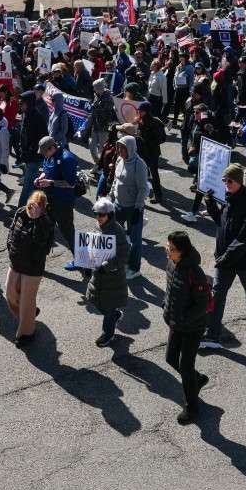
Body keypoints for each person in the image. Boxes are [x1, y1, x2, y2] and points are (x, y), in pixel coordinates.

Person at [199, 164, 246, 349]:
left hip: (245, 261)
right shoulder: (229, 198)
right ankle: (212, 335)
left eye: (229, 180)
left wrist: (225, 257)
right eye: (224, 180)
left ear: (239, 181)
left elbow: (244, 238)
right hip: (226, 259)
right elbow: (222, 224)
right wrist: (210, 203)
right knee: (217, 294)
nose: (226, 184)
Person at [162, 231, 211, 425]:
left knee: (185, 365)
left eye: (172, 249)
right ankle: (196, 380)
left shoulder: (195, 273)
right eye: (168, 247)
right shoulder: (172, 264)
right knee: (171, 358)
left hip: (193, 327)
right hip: (176, 323)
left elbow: (202, 305)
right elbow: (169, 289)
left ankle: (192, 408)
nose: (168, 251)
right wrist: (165, 306)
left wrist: (182, 319)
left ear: (182, 252)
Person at [6, 191, 54, 347]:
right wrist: (10, 247)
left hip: (33, 267)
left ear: (43, 208)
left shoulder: (45, 222)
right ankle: (29, 315)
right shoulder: (21, 212)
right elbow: (12, 230)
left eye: (37, 206)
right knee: (10, 295)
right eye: (31, 204)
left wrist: (38, 219)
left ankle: (26, 332)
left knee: (27, 300)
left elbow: (42, 245)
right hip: (16, 262)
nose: (32, 208)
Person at [86, 198, 130, 347]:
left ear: (110, 215)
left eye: (102, 215)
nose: (99, 218)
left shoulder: (118, 231)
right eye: (97, 214)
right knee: (98, 303)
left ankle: (108, 334)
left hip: (113, 278)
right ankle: (115, 315)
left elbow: (123, 255)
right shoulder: (97, 226)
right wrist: (86, 261)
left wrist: (107, 265)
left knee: (109, 307)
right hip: (98, 275)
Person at [34, 135, 80, 268]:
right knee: (44, 230)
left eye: (44, 152)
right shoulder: (48, 155)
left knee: (67, 232)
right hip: (49, 200)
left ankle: (81, 260)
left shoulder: (67, 159)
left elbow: (70, 183)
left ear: (52, 147)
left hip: (63, 203)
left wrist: (51, 182)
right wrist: (40, 178)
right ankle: (39, 259)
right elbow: (46, 170)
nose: (44, 155)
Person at [109, 134, 150, 279]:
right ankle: (120, 261)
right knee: (114, 234)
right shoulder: (120, 159)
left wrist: (138, 209)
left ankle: (134, 268)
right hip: (118, 205)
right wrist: (111, 194)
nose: (119, 150)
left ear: (131, 148)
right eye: (118, 147)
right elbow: (116, 179)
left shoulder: (139, 165)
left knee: (135, 239)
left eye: (123, 148)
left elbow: (143, 189)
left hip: (133, 208)